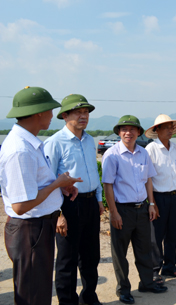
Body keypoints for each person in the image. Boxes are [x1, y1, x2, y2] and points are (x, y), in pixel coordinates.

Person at [0, 86, 81, 305]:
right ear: (39, 113)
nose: (52, 116)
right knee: (33, 296)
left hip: (37, 229)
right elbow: (20, 205)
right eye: (50, 110)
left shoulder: (29, 143)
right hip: (30, 231)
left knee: (39, 291)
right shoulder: (20, 150)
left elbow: (33, 186)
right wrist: (57, 183)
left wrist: (59, 187)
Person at [44, 94, 103, 305]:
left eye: (86, 112)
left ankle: (89, 297)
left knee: (91, 256)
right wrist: (58, 214)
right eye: (78, 112)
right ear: (64, 115)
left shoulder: (89, 140)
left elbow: (93, 173)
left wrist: (98, 199)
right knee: (67, 259)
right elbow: (49, 182)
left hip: (89, 203)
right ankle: (67, 301)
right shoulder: (54, 143)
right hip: (68, 205)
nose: (83, 116)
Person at [102, 115, 167, 304]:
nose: (128, 133)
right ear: (119, 133)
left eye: (132, 129)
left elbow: (148, 179)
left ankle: (147, 283)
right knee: (120, 252)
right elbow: (108, 186)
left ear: (138, 132)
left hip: (142, 209)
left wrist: (152, 204)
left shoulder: (143, 153)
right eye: (124, 129)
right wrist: (113, 212)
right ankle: (123, 289)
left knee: (144, 249)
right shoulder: (112, 154)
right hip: (122, 210)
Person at [144, 114, 176, 279]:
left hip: (174, 196)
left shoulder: (174, 148)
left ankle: (170, 267)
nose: (170, 130)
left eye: (171, 127)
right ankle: (154, 270)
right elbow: (147, 178)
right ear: (157, 130)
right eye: (166, 127)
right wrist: (152, 203)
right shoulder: (151, 149)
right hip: (158, 197)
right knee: (156, 236)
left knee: (172, 234)